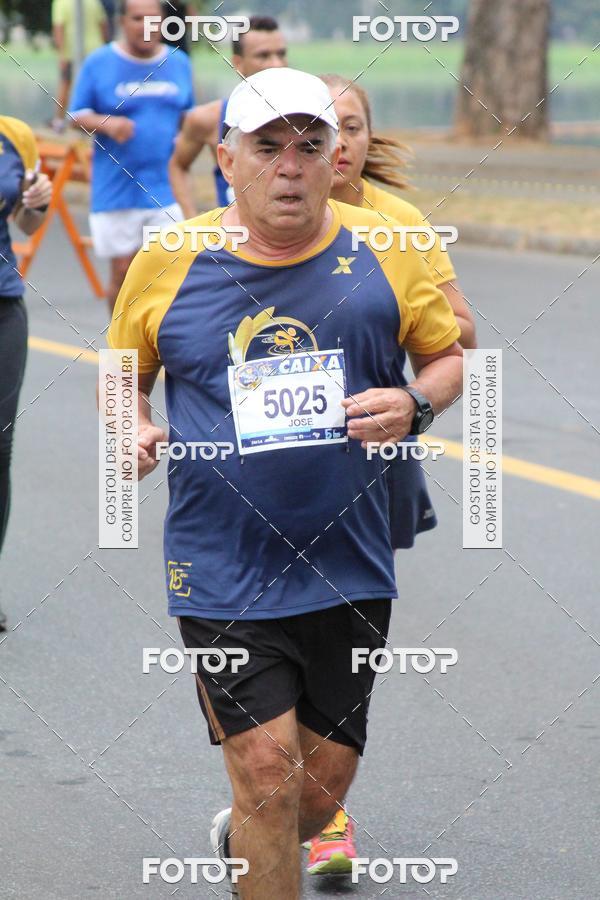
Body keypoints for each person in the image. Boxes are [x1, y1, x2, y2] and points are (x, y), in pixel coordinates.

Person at [106, 68, 463, 898]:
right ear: (226, 159)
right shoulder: (171, 257)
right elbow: (125, 370)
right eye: (268, 146)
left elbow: (448, 358)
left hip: (348, 556)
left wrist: (414, 402)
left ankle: (248, 830)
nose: (291, 165)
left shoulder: (391, 248)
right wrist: (132, 426)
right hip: (220, 560)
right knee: (267, 766)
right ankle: (254, 817)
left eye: (310, 145)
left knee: (313, 794)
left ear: (338, 155)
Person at [300, 75, 478, 878]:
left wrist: (405, 321)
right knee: (265, 639)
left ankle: (319, 810)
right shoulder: (268, 203)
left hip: (370, 454)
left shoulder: (399, 223)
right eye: (320, 127)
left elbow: (458, 331)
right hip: (264, 467)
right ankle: (274, 789)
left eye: (352, 127)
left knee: (339, 630)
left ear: (369, 140)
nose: (336, 144)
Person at [69, 0, 195, 312]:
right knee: (125, 272)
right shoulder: (99, 63)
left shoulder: (178, 63)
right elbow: (75, 114)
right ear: (123, 22)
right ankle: (120, 356)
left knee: (170, 271)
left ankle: (160, 354)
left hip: (166, 189)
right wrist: (108, 124)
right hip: (117, 189)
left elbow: (190, 117)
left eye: (153, 19)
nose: (146, 26)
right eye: (138, 18)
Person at [0, 117, 52, 631]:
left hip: (3, 307)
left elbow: (28, 223)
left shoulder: (16, 133)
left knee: (0, 447)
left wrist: (37, 199)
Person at [169, 14, 288, 215]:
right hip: (233, 242)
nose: (276, 64)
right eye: (263, 55)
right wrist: (191, 224)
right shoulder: (210, 118)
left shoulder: (307, 117)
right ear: (238, 63)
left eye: (281, 54)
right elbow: (177, 166)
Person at [50, 0, 108, 133]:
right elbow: (103, 25)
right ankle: (97, 121)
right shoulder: (94, 2)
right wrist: (105, 46)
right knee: (97, 88)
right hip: (96, 50)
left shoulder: (60, 3)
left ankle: (59, 122)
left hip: (72, 52)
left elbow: (59, 28)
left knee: (65, 85)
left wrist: (61, 53)